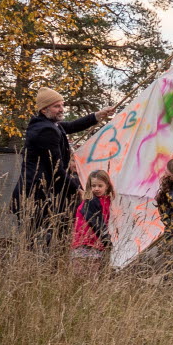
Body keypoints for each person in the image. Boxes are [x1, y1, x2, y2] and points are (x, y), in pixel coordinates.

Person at [11, 87, 114, 248]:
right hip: (35, 196)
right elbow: (56, 170)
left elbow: (70, 126)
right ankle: (34, 270)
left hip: (40, 195)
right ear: (44, 109)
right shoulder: (46, 131)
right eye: (56, 106)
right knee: (34, 241)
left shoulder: (48, 124)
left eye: (62, 105)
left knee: (44, 239)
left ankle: (42, 269)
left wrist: (97, 115)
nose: (61, 109)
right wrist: (77, 189)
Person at [71, 170, 113, 271]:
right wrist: (107, 241)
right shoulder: (91, 201)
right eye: (93, 186)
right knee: (80, 271)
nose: (96, 189)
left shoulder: (106, 201)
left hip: (96, 243)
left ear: (107, 186)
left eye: (100, 186)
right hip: (84, 241)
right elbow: (96, 223)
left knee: (93, 273)